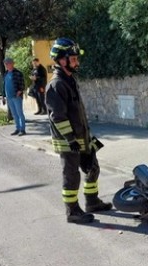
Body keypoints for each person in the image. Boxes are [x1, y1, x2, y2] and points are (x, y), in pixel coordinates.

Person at [45, 37, 112, 224]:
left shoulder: (69, 80)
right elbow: (57, 116)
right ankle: (72, 211)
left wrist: (85, 136)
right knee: (72, 175)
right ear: (61, 60)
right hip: (69, 141)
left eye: (76, 58)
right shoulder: (56, 84)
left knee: (93, 167)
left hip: (82, 137)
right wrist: (71, 139)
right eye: (73, 59)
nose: (77, 62)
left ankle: (92, 202)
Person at [3, 58, 26, 136]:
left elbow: (22, 85)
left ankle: (22, 130)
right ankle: (17, 128)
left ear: (12, 63)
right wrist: (3, 96)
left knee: (20, 113)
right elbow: (4, 85)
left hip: (16, 97)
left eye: (8, 63)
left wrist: (19, 92)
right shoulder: (5, 73)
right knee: (14, 114)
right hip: (9, 97)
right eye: (5, 63)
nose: (6, 65)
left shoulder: (18, 73)